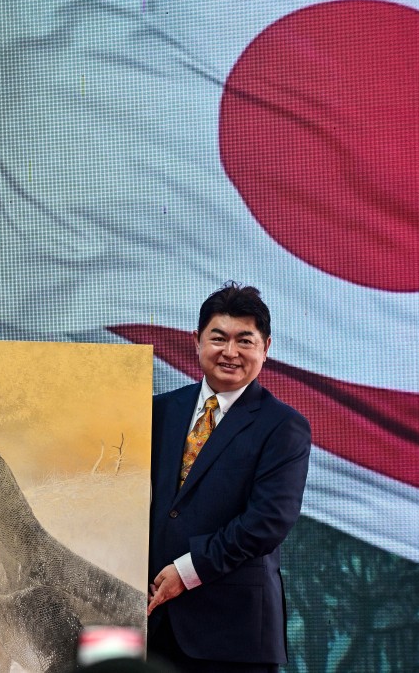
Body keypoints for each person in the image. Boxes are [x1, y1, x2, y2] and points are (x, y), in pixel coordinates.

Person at [146, 283, 311, 673]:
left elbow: (266, 523)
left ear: (266, 347)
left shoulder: (284, 427)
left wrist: (186, 572)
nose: (230, 352)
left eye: (245, 340)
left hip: (231, 636)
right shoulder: (158, 411)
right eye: (218, 338)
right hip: (145, 624)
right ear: (197, 340)